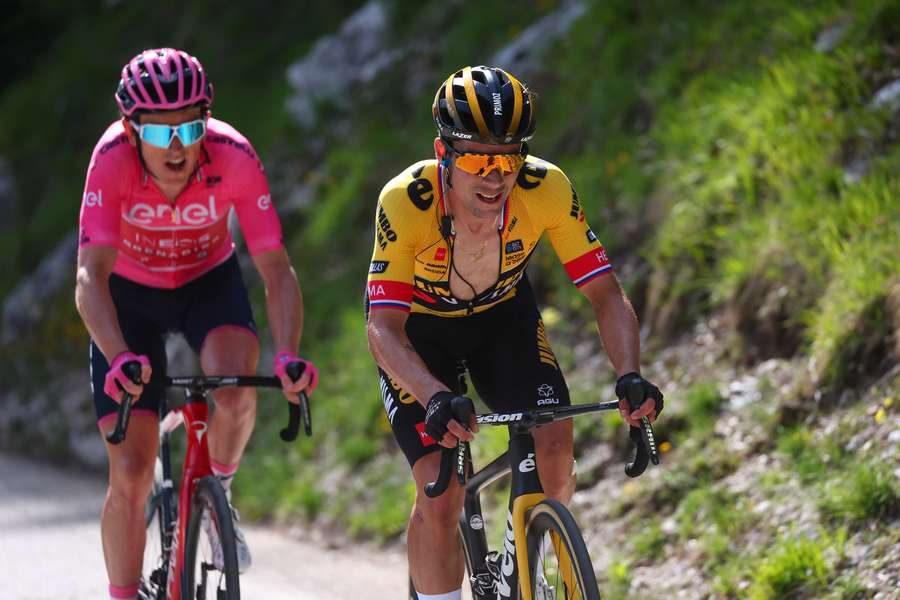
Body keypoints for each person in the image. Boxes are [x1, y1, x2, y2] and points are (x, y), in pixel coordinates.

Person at [365, 65, 664, 599]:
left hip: (502, 319)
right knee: (441, 491)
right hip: (420, 334)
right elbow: (382, 328)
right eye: (478, 158)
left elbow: (605, 292)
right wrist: (434, 395)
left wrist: (629, 375)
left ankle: (525, 570)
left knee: (553, 444)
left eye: (508, 157)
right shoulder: (406, 202)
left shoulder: (545, 188)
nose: (495, 175)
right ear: (444, 154)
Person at [74, 48, 317, 600]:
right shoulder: (111, 160)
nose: (179, 146)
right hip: (128, 297)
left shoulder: (233, 155)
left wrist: (288, 353)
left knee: (235, 392)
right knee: (132, 472)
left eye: (191, 127)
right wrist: (116, 356)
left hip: (207, 282)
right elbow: (90, 275)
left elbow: (275, 267)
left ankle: (217, 497)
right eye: (160, 135)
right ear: (131, 131)